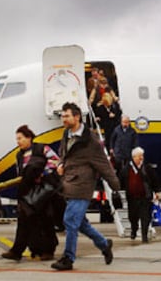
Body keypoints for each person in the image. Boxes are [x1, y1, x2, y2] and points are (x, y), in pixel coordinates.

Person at [51, 102, 120, 271]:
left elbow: (104, 166)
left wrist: (116, 188)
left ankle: (68, 258)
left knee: (70, 220)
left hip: (82, 186)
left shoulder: (92, 141)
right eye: (62, 115)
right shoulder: (66, 133)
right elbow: (63, 154)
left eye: (66, 116)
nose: (63, 119)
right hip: (68, 183)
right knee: (80, 224)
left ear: (77, 117)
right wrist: (61, 164)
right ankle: (104, 244)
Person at [2, 125, 60, 261]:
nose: (18, 142)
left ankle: (48, 250)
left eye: (20, 138)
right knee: (24, 221)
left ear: (29, 138)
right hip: (27, 192)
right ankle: (17, 250)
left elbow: (55, 161)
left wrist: (42, 173)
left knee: (45, 220)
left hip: (42, 191)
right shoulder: (19, 155)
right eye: (17, 139)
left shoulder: (41, 148)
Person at [119, 147, 158, 243]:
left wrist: (156, 192)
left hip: (145, 197)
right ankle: (134, 229)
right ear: (134, 157)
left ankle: (144, 236)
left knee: (145, 217)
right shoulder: (127, 169)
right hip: (132, 197)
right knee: (133, 217)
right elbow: (121, 180)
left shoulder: (147, 168)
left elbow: (154, 180)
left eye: (142, 156)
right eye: (139, 156)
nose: (141, 158)